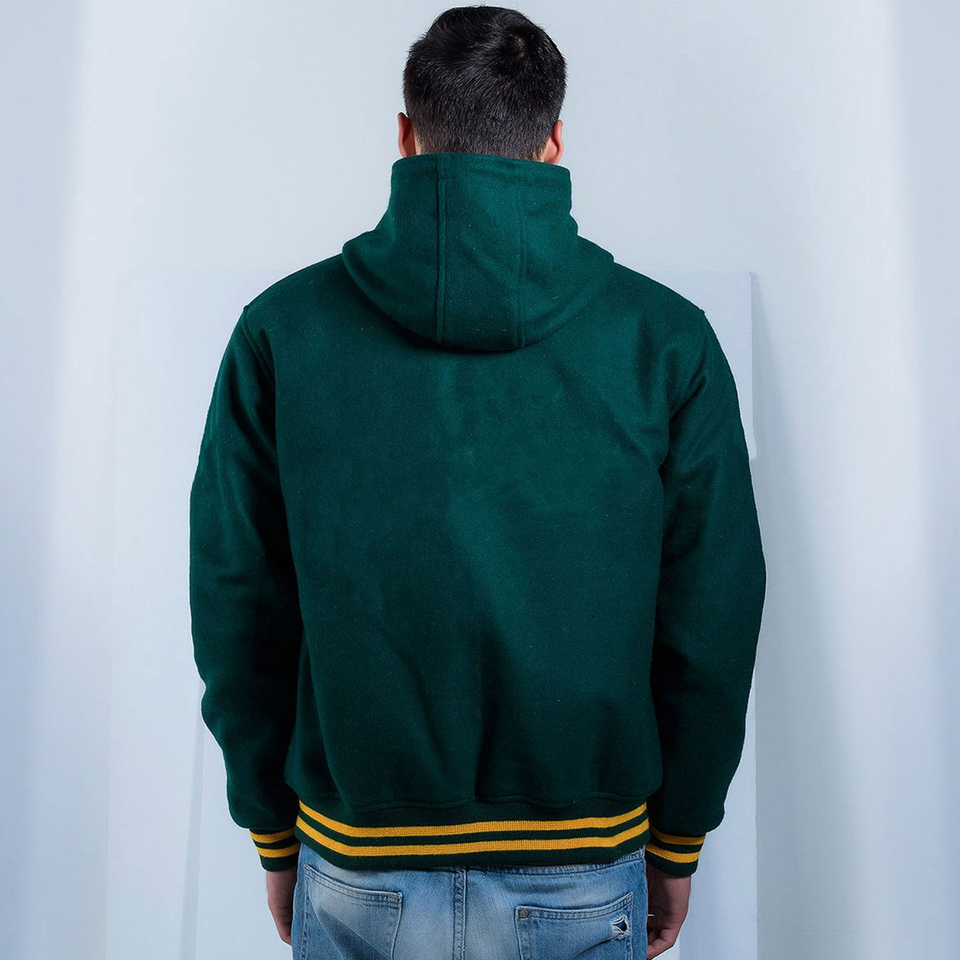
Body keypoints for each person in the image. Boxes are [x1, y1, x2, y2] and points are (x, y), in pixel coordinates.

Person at [188, 6, 766, 959]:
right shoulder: (664, 341)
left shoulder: (281, 333)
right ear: (554, 142)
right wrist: (678, 838)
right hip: (583, 863)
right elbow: (712, 615)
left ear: (405, 135)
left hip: (358, 858)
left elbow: (236, 604)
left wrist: (271, 830)